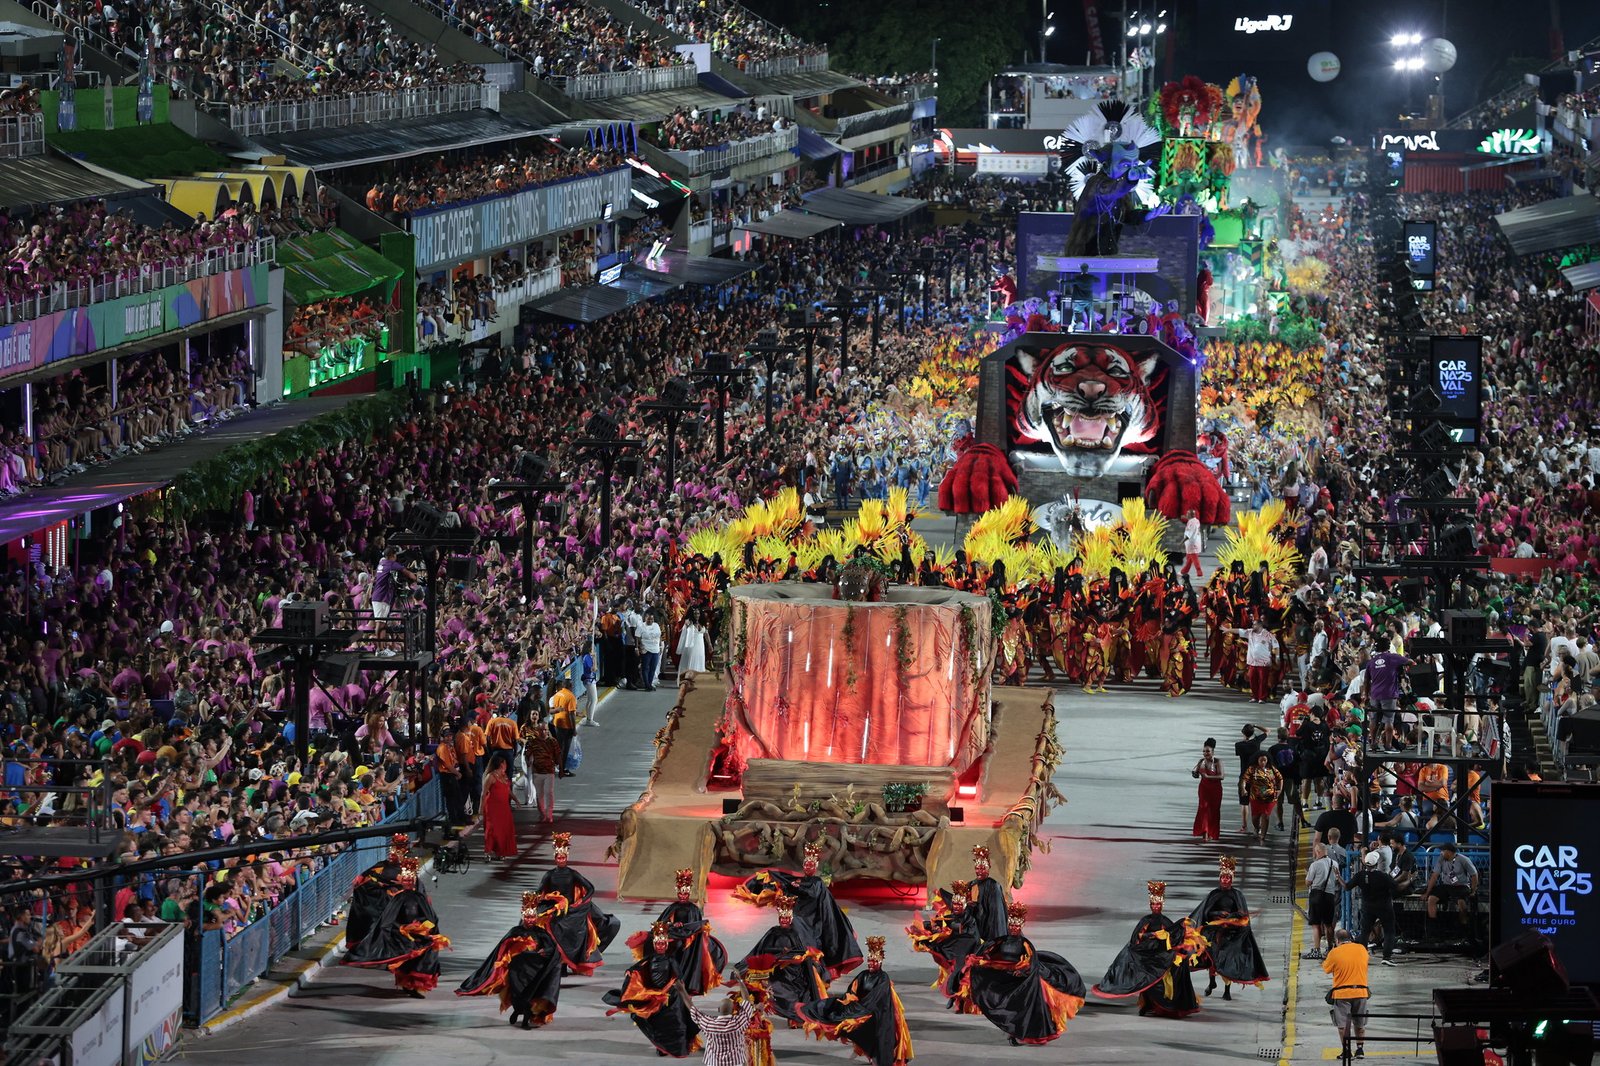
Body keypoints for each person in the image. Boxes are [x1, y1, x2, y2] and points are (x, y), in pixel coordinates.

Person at [962, 901, 1086, 1046]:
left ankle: (1022, 1033)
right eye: (1012, 925)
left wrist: (1022, 971)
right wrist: (979, 961)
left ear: (1021, 926)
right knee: (1009, 1007)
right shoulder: (1000, 942)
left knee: (1025, 1010)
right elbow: (991, 956)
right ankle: (1014, 1032)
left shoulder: (1025, 944)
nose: (1014, 928)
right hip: (1008, 978)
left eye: (1016, 926)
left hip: (1024, 982)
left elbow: (1030, 962)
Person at [735, 841, 862, 978]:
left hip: (812, 920)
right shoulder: (797, 882)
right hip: (797, 916)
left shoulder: (817, 882)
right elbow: (787, 888)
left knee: (804, 940)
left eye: (811, 864)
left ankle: (809, 971)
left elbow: (810, 892)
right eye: (806, 864)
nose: (808, 866)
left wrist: (796, 886)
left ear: (816, 866)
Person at [1093, 880, 1206, 1018]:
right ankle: (1147, 1004)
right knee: (1143, 973)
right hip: (1146, 955)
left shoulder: (1165, 921)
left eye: (1158, 904)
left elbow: (1173, 936)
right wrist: (1154, 935)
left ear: (1162, 905)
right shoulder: (1146, 920)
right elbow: (1137, 938)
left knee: (1176, 968)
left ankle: (1170, 1005)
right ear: (1150, 905)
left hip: (1161, 955)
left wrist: (1176, 932)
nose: (1156, 907)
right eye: (1153, 904)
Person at [794, 936, 914, 1066]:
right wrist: (849, 1000)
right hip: (861, 1008)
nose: (871, 964)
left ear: (880, 962)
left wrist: (857, 1009)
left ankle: (880, 1059)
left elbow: (875, 998)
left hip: (878, 1014)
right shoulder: (863, 975)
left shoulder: (883, 978)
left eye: (874, 961)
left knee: (879, 1038)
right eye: (869, 961)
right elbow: (852, 990)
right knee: (834, 1006)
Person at [455, 891, 566, 1028]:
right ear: (523, 917)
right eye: (528, 917)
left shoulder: (541, 933)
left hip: (534, 971)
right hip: (517, 970)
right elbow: (501, 948)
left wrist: (545, 951)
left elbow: (553, 950)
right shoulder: (515, 931)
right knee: (518, 994)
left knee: (530, 995)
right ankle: (517, 1011)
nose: (530, 920)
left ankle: (525, 1019)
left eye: (533, 917)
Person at [342, 858, 450, 996]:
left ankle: (416, 984)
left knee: (425, 951)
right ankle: (408, 983)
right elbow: (386, 919)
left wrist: (431, 928)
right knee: (406, 953)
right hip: (402, 927)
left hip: (419, 924)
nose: (409, 881)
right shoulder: (390, 884)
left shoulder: (419, 893)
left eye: (411, 879)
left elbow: (430, 914)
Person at [604, 921, 701, 1057]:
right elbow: (639, 965)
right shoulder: (650, 957)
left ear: (666, 945)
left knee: (674, 1023)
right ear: (655, 945)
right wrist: (630, 971)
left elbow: (678, 975)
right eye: (658, 944)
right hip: (653, 995)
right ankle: (661, 1047)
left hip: (669, 997)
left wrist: (680, 988)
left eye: (663, 944)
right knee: (656, 1024)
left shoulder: (671, 960)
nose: (660, 946)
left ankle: (676, 1047)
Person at [627, 869, 728, 996]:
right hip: (673, 934)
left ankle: (682, 978)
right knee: (659, 943)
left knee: (682, 947)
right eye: (681, 893)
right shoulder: (672, 907)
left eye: (685, 893)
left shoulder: (693, 909)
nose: (683, 895)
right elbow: (662, 923)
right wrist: (672, 925)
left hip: (688, 937)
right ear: (677, 892)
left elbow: (694, 926)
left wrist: (684, 928)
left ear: (689, 893)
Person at [737, 890, 831, 1025]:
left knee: (800, 988)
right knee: (761, 984)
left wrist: (795, 957)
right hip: (775, 971)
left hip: (794, 972)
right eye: (782, 918)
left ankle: (796, 1017)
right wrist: (776, 957)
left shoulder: (795, 934)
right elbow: (762, 949)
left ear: (791, 919)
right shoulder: (773, 932)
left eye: (787, 918)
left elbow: (801, 951)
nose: (784, 921)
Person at [536, 832, 620, 970]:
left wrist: (581, 902)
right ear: (555, 858)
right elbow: (539, 891)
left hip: (573, 910)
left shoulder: (572, 874)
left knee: (588, 927)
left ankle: (572, 960)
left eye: (563, 858)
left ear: (566, 858)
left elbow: (590, 888)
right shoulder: (549, 875)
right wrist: (538, 899)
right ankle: (559, 964)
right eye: (559, 858)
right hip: (555, 909)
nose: (561, 860)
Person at [1190, 856, 1269, 1000]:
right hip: (1215, 932)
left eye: (1228, 878)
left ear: (1232, 879)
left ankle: (1227, 989)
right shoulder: (1214, 894)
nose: (1225, 880)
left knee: (1228, 960)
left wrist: (1231, 917)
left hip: (1231, 933)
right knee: (1213, 958)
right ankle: (1212, 982)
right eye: (1223, 877)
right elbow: (1206, 912)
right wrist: (1218, 913)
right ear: (1220, 879)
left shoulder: (1237, 895)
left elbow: (1242, 913)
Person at [905, 880, 982, 1012]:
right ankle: (954, 997)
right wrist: (931, 927)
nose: (956, 907)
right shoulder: (951, 916)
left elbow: (965, 931)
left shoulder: (970, 918)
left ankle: (955, 997)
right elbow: (940, 923)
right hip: (954, 946)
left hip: (968, 947)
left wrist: (950, 927)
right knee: (953, 969)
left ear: (964, 905)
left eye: (959, 905)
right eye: (955, 904)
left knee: (960, 970)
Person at [347, 833, 410, 950]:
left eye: (399, 849)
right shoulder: (381, 865)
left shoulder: (408, 866)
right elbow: (365, 879)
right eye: (394, 849)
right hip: (382, 902)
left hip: (399, 903)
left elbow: (410, 884)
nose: (395, 853)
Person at [683, 984, 763, 1066]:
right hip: (735, 1063)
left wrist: (682, 990)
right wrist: (740, 982)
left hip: (714, 1063)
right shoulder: (738, 1023)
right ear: (732, 1010)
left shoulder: (709, 1024)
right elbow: (747, 1003)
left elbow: (692, 1009)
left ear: (718, 1009)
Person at [1321, 929, 1370, 1060]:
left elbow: (1326, 969)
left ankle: (1346, 1050)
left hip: (1342, 993)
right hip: (1361, 991)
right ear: (1351, 938)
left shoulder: (1334, 952)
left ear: (1337, 941)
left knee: (1342, 1024)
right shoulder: (1362, 949)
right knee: (1360, 1023)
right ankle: (1360, 1049)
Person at [1348, 851, 1399, 966]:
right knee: (1389, 931)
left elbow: (1347, 886)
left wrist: (1339, 878)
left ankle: (1361, 956)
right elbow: (1396, 887)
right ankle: (1386, 956)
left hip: (1367, 907)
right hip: (1384, 907)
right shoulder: (1383, 876)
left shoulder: (1360, 875)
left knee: (1365, 932)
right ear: (1376, 863)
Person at [1424, 842, 1480, 937]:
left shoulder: (1463, 859)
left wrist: (1473, 890)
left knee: (1462, 905)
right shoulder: (1441, 859)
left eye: (1443, 851)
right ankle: (1433, 930)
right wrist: (1427, 893)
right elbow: (1434, 876)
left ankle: (1464, 932)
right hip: (1446, 885)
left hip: (1461, 886)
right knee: (1431, 899)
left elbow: (1474, 875)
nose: (1441, 853)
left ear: (1449, 852)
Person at [1303, 842, 1341, 960]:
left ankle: (1316, 950)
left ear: (1318, 852)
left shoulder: (1315, 865)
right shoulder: (1334, 863)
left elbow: (1308, 882)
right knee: (1328, 924)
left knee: (1315, 924)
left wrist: (1307, 875)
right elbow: (1335, 879)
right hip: (1330, 896)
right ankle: (1330, 948)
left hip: (1316, 895)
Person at [965, 844, 1009, 943]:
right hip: (976, 925)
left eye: (982, 869)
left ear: (988, 869)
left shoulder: (993, 885)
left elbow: (997, 913)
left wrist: (996, 937)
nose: (979, 871)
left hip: (989, 928)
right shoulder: (971, 884)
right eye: (977, 868)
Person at [1241, 752, 1284, 845]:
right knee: (1255, 817)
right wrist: (1244, 788)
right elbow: (1244, 779)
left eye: (1265, 760)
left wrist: (1279, 790)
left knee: (1266, 815)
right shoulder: (1252, 769)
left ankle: (1263, 836)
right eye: (1261, 760)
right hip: (1256, 797)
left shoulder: (1272, 769)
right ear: (1257, 760)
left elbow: (1280, 778)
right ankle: (1257, 827)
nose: (1263, 762)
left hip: (1270, 797)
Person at [523, 718, 562, 822]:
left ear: (548, 730)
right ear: (538, 731)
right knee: (539, 794)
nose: (543, 732)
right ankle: (542, 814)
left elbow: (558, 755)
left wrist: (561, 768)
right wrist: (528, 761)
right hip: (537, 772)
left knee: (549, 792)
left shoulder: (553, 741)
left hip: (549, 771)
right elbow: (527, 754)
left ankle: (549, 814)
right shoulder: (533, 742)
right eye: (541, 730)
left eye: (545, 730)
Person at [480, 752, 517, 860]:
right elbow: (484, 792)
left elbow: (508, 790)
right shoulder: (490, 777)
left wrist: (516, 800)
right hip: (492, 807)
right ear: (499, 764)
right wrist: (481, 808)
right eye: (503, 764)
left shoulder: (504, 776)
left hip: (504, 808)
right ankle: (488, 852)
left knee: (503, 830)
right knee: (491, 830)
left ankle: (500, 851)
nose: (505, 766)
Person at [1235, 618, 1281, 703]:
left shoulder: (1268, 635)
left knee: (1263, 681)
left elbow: (1276, 645)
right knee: (1252, 679)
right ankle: (1254, 696)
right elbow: (1239, 630)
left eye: (1254, 624)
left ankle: (1262, 698)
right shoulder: (1250, 632)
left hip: (1263, 663)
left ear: (1260, 625)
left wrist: (1277, 657)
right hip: (1253, 662)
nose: (1252, 626)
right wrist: (1227, 630)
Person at [1234, 724, 1269, 832]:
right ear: (1253, 732)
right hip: (1256, 776)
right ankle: (1257, 827)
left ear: (1243, 733)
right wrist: (1256, 725)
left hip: (1244, 776)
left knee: (1244, 803)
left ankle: (1244, 826)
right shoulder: (1257, 742)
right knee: (1256, 802)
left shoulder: (1238, 745)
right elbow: (1267, 730)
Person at [1192, 738, 1225, 841]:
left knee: (1214, 811)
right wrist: (1195, 774)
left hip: (1215, 789)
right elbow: (1197, 774)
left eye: (1207, 751)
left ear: (1213, 752)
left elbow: (1222, 776)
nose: (1205, 753)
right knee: (1203, 809)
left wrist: (1208, 776)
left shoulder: (1218, 762)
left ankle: (1211, 833)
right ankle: (1205, 832)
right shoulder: (1201, 761)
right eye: (1204, 751)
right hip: (1203, 789)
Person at [549, 681, 578, 777]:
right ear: (571, 686)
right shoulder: (571, 697)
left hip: (557, 723)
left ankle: (555, 766)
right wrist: (574, 728)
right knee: (565, 749)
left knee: (559, 747)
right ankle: (563, 769)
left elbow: (552, 709)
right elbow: (571, 715)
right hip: (566, 726)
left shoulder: (557, 694)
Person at [677, 611, 709, 681]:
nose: (696, 615)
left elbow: (706, 634)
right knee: (690, 662)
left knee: (699, 661)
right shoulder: (689, 623)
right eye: (694, 613)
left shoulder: (702, 623)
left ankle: (698, 680)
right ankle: (687, 679)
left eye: (698, 613)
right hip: (691, 646)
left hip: (700, 647)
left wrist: (710, 645)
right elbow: (683, 633)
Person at [637, 610, 664, 690]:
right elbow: (637, 637)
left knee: (653, 668)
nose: (650, 621)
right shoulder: (641, 626)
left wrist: (660, 647)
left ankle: (649, 683)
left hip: (655, 649)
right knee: (645, 668)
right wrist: (639, 646)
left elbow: (659, 636)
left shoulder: (656, 625)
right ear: (645, 618)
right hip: (646, 649)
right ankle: (647, 685)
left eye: (652, 619)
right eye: (649, 619)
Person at [1181, 510, 1204, 577]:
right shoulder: (1195, 521)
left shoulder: (1192, 522)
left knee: (1194, 558)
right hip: (1193, 542)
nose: (1186, 515)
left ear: (1191, 515)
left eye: (1187, 514)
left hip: (1192, 543)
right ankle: (1184, 571)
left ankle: (1199, 572)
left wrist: (1182, 542)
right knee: (1189, 558)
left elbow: (1189, 534)